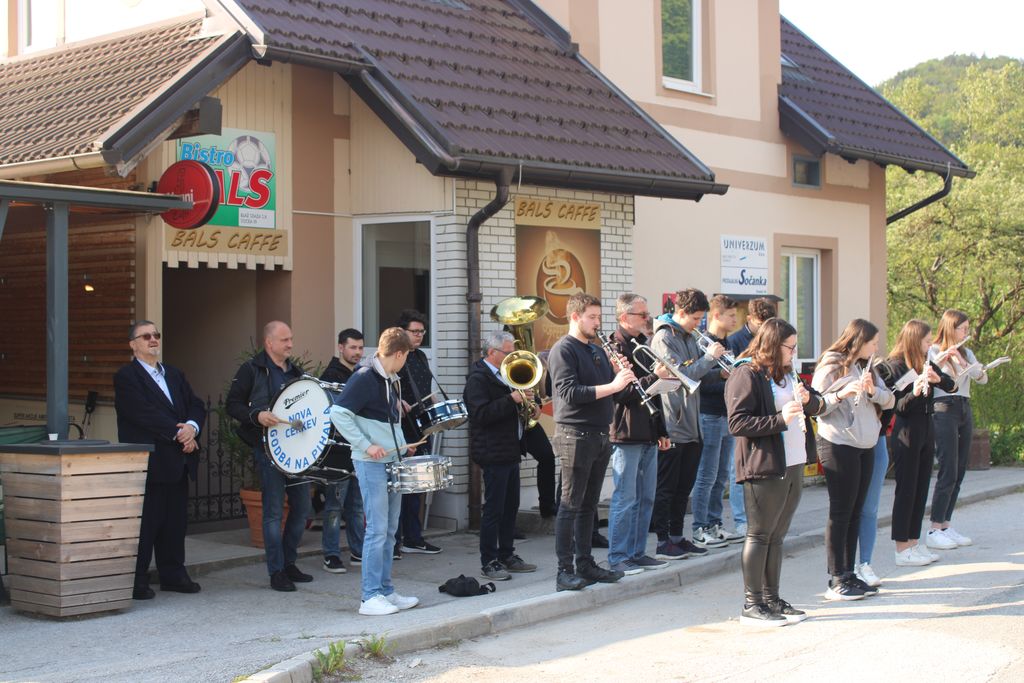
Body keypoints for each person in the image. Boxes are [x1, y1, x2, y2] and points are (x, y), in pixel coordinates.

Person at [726, 318, 824, 625]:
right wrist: (780, 420)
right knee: (760, 534)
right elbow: (737, 423)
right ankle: (752, 604)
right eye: (790, 347)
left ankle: (772, 599)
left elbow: (817, 406)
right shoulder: (746, 373)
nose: (794, 353)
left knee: (777, 535)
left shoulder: (786, 373)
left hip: (793, 461)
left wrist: (809, 401)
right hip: (763, 464)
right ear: (772, 344)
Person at [330, 327, 421, 616]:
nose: (406, 362)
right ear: (399, 354)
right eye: (407, 357)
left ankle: (385, 590)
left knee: (390, 531)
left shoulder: (390, 379)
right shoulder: (364, 377)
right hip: (370, 463)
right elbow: (337, 413)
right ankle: (369, 596)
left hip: (391, 460)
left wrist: (402, 446)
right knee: (377, 530)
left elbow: (386, 422)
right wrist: (366, 446)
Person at [114, 320, 205, 600]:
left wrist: (192, 428)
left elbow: (196, 404)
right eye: (146, 336)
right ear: (133, 345)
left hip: (179, 461)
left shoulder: (174, 374)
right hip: (150, 462)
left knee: (175, 523)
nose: (153, 339)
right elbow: (141, 413)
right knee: (147, 524)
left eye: (156, 335)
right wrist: (180, 434)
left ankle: (173, 575)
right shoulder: (127, 377)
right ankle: (137, 580)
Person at [548, 292, 631, 591]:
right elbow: (570, 393)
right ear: (575, 317)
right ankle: (563, 572)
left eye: (598, 317)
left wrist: (621, 376)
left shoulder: (595, 350)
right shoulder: (563, 350)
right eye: (592, 317)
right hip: (575, 435)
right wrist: (612, 384)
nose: (598, 323)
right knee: (570, 504)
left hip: (599, 434)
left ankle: (585, 564)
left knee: (589, 506)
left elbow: (614, 395)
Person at [226, 321, 312, 592]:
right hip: (268, 450)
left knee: (302, 508)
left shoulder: (296, 372)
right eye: (284, 340)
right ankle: (276, 571)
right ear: (269, 343)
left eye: (291, 339)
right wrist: (257, 416)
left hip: (296, 451)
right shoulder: (251, 369)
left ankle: (289, 562)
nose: (290, 344)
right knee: (273, 512)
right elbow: (232, 405)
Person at [812, 319, 894, 601]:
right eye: (873, 343)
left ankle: (849, 573)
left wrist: (873, 391)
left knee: (856, 510)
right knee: (841, 511)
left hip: (865, 444)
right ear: (859, 341)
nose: (876, 348)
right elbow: (817, 405)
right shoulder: (831, 364)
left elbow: (890, 400)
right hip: (839, 443)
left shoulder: (866, 366)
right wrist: (841, 393)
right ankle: (836, 577)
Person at [649, 288, 724, 560]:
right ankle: (662, 541)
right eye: (695, 319)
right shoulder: (664, 337)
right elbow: (681, 375)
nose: (698, 324)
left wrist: (720, 374)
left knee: (684, 488)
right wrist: (709, 358)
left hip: (693, 423)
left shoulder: (689, 336)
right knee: (667, 487)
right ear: (680, 313)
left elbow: (698, 377)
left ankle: (677, 537)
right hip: (674, 422)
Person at [878, 320, 955, 568]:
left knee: (921, 488)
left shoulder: (925, 361)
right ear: (913, 340)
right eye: (926, 341)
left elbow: (951, 385)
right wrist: (916, 392)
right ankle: (901, 547)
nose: (930, 345)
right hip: (907, 431)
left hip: (926, 427)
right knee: (907, 489)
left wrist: (937, 379)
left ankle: (913, 541)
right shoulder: (895, 366)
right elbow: (898, 406)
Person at [606, 294, 672, 575]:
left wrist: (662, 430)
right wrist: (655, 377)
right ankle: (618, 556)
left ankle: (637, 552)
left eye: (647, 314)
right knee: (625, 498)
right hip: (626, 431)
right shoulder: (613, 347)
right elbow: (622, 393)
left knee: (646, 498)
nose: (647, 319)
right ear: (624, 317)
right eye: (642, 315)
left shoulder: (642, 344)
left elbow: (654, 395)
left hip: (648, 431)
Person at [465, 330, 538, 581]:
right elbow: (480, 415)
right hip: (492, 451)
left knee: (510, 507)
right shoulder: (478, 379)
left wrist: (530, 407)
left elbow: (512, 408)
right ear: (492, 352)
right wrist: (512, 399)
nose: (512, 357)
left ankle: (507, 554)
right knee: (494, 510)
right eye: (508, 353)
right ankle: (489, 561)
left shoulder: (506, 375)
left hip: (510, 449)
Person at [927, 309, 987, 550]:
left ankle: (946, 524)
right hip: (944, 407)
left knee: (960, 469)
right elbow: (933, 374)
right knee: (948, 469)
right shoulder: (934, 349)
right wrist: (945, 357)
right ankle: (934, 528)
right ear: (951, 328)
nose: (966, 332)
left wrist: (962, 361)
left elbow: (982, 377)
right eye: (963, 328)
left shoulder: (966, 352)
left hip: (963, 405)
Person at [692, 294, 744, 548]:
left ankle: (715, 523)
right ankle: (699, 527)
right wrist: (726, 378)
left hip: (726, 414)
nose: (735, 320)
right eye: (731, 315)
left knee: (722, 475)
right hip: (709, 414)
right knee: (707, 475)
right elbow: (698, 382)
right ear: (716, 315)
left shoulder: (728, 342)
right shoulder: (705, 343)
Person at [726, 297, 777, 537]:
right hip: (742, 413)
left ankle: (760, 518)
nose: (764, 328)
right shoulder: (736, 341)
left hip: (762, 414)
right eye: (760, 323)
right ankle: (741, 520)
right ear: (749, 319)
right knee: (738, 469)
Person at [318, 328, 367, 573]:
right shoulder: (330, 376)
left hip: (358, 448)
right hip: (337, 452)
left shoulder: (361, 374)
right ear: (340, 347)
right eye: (352, 347)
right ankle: (331, 554)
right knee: (334, 506)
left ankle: (358, 551)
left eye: (360, 348)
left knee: (357, 505)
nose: (357, 352)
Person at [394, 309, 442, 556]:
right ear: (402, 332)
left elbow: (424, 387)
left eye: (422, 332)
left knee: (419, 483)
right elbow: (385, 386)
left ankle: (413, 538)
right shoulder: (395, 356)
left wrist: (432, 399)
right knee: (402, 484)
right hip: (402, 426)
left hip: (422, 423)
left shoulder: (421, 356)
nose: (419, 336)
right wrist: (396, 401)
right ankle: (395, 540)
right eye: (414, 331)